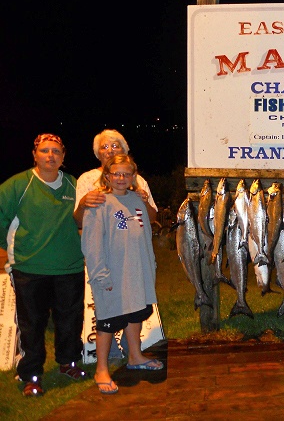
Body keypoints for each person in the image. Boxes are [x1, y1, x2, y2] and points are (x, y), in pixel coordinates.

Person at [0, 134, 87, 397]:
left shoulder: (74, 185)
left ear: (63, 157)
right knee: (32, 324)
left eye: (56, 151)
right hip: (29, 267)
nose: (50, 156)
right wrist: (8, 256)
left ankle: (68, 363)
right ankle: (31, 374)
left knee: (70, 320)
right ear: (35, 154)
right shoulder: (17, 185)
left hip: (69, 267)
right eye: (45, 151)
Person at [81, 154, 163, 395]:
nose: (120, 178)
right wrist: (100, 275)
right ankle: (102, 368)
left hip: (137, 272)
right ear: (106, 176)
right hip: (111, 275)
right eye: (115, 173)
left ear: (133, 177)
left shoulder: (136, 200)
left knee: (135, 313)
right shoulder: (99, 204)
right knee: (108, 321)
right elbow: (91, 244)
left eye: (126, 174)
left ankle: (135, 356)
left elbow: (146, 231)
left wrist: (150, 268)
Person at [74, 129, 157, 360]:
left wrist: (141, 198)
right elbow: (81, 221)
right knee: (108, 311)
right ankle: (105, 361)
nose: (110, 150)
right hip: (107, 258)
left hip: (134, 260)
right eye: (105, 147)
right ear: (108, 177)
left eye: (115, 146)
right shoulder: (88, 181)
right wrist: (83, 203)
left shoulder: (137, 182)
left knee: (136, 307)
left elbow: (149, 218)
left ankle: (134, 354)